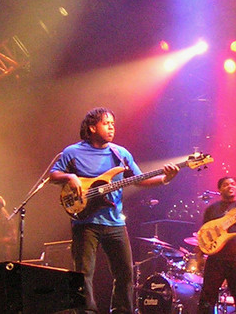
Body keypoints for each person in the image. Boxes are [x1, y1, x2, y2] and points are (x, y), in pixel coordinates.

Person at [49, 107, 180, 314]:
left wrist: (165, 179)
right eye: (106, 123)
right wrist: (70, 177)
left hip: (115, 223)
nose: (111, 127)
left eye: (113, 123)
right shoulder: (72, 152)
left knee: (125, 273)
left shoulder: (120, 153)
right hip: (85, 222)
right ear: (92, 127)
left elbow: (140, 180)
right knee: (83, 274)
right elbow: (53, 175)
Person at [197, 176, 236, 314]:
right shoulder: (211, 209)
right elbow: (202, 234)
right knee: (206, 299)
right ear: (219, 189)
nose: (230, 186)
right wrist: (199, 256)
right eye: (225, 184)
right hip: (215, 259)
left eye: (232, 184)